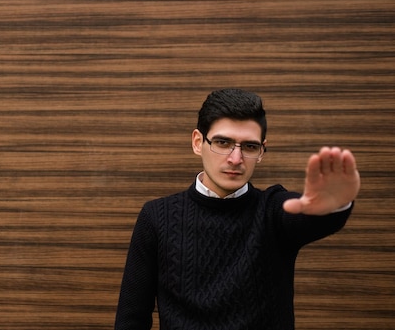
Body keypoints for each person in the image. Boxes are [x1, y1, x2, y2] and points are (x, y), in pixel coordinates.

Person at [114, 88, 360, 330]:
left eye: (249, 147)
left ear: (262, 151)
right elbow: (131, 318)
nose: (235, 158)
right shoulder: (157, 216)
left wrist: (335, 205)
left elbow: (310, 218)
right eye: (223, 142)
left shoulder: (273, 209)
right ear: (198, 142)